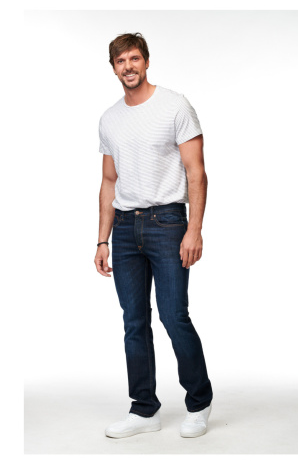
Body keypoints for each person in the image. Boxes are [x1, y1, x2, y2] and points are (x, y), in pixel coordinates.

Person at [95, 32, 213, 439]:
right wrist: (102, 239)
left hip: (168, 222)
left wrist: (194, 229)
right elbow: (109, 181)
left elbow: (197, 172)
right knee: (134, 321)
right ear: (113, 68)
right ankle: (144, 409)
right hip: (125, 228)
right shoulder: (109, 119)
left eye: (134, 58)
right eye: (120, 61)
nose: (128, 67)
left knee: (173, 315)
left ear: (145, 61)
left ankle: (199, 402)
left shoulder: (174, 105)